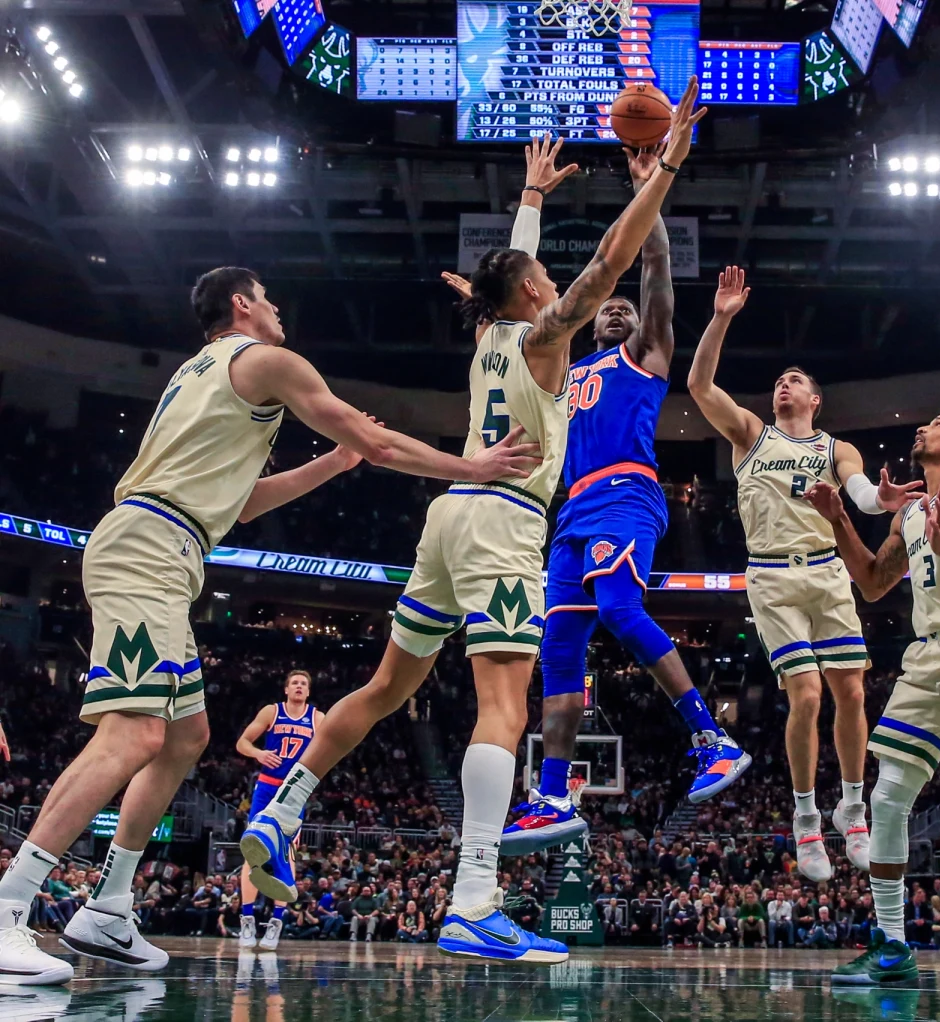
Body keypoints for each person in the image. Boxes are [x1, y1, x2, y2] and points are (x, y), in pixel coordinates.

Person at [241, 86, 707, 968]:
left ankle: (286, 806)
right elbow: (610, 261)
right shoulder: (541, 337)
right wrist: (667, 165)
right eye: (543, 279)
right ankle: (474, 898)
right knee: (503, 704)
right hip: (501, 519)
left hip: (446, 521)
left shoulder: (494, 333)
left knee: (385, 688)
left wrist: (531, 198)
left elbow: (517, 270)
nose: (553, 282)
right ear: (534, 292)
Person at [0, 268, 538, 986]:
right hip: (148, 549)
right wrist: (470, 467)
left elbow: (241, 504)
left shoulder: (200, 373)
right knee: (133, 735)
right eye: (269, 298)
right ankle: (9, 907)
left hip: (169, 542)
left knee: (187, 736)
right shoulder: (266, 359)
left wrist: (335, 465)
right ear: (242, 305)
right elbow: (377, 442)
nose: (280, 309)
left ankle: (109, 905)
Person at [500, 148, 750, 856]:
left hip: (626, 495)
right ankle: (551, 793)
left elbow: (656, 275)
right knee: (559, 650)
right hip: (571, 513)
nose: (613, 310)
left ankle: (712, 738)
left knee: (618, 608)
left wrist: (650, 197)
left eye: (623, 309)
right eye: (605, 308)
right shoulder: (571, 366)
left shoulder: (646, 356)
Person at [687, 267, 921, 881]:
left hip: (826, 574)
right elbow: (699, 383)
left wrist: (884, 502)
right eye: (778, 380)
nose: (782, 384)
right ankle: (805, 818)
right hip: (771, 578)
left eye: (794, 380)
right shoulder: (750, 436)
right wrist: (722, 317)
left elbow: (864, 496)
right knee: (807, 693)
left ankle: (853, 807)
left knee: (849, 691)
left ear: (814, 400)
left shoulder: (835, 448)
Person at [807, 414, 940, 989]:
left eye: (935, 424)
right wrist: (837, 522)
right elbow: (875, 582)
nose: (921, 429)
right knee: (887, 798)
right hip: (926, 656)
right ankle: (891, 948)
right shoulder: (908, 511)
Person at [234, 669, 324, 951]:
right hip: (266, 788)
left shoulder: (317, 718)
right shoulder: (272, 712)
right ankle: (247, 919)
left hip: (294, 792)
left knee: (286, 854)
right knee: (253, 850)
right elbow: (242, 743)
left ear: (308, 692)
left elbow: (331, 749)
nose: (299, 686)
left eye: (304, 684)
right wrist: (259, 753)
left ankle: (276, 921)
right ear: (286, 689)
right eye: (294, 683)